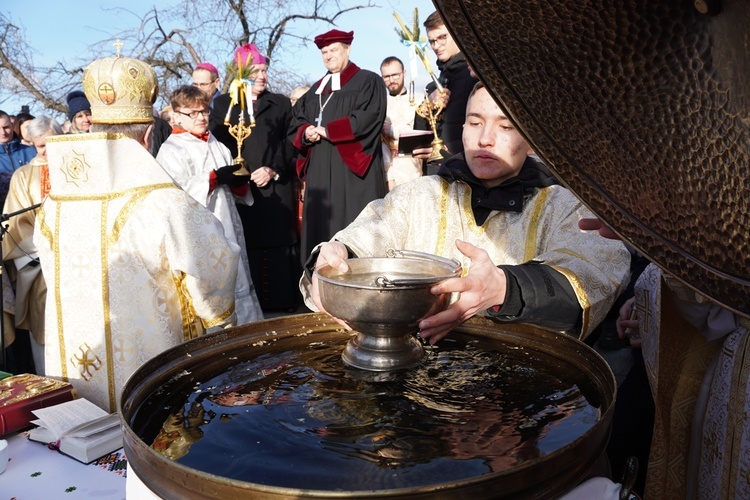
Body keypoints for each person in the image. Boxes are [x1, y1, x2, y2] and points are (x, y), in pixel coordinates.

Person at [302, 83, 630, 344]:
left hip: (517, 394)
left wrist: (505, 288)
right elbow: (371, 233)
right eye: (475, 122)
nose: (484, 139)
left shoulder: (567, 206)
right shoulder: (419, 194)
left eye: (506, 126)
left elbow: (596, 272)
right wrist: (336, 254)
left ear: (531, 140)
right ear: (462, 129)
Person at [34, 54, 241, 412]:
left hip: (75, 369)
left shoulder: (54, 203)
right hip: (149, 383)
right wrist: (220, 327)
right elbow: (213, 271)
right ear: (148, 134)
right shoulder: (164, 203)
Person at [156, 85, 263, 324]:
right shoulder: (170, 149)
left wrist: (239, 184)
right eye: (192, 113)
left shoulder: (218, 144)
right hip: (197, 232)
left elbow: (236, 192)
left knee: (238, 279)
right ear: (176, 115)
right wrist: (213, 178)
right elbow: (173, 193)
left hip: (227, 225)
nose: (201, 118)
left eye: (204, 111)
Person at [210, 44, 300, 311]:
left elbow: (291, 140)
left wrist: (272, 167)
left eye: (264, 70)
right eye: (256, 71)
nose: (262, 76)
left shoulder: (280, 103)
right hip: (241, 190)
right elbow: (219, 143)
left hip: (276, 188)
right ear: (242, 74)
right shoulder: (225, 105)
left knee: (278, 246)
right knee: (245, 244)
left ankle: (283, 306)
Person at [290, 28, 387, 262]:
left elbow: (369, 117)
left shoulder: (368, 80)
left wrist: (328, 130)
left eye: (334, 50)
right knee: (321, 231)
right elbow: (296, 121)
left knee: (356, 228)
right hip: (321, 173)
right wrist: (306, 132)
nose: (329, 56)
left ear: (348, 49)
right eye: (324, 52)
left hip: (353, 173)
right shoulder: (315, 89)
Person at [2, 116, 62, 375]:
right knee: (45, 325)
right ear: (33, 145)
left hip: (83, 261)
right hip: (41, 265)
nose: (48, 151)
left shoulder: (80, 170)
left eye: (53, 143)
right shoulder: (24, 176)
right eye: (41, 147)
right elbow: (17, 225)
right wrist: (45, 251)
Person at [414, 10, 478, 175]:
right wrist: (428, 105)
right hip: (436, 172)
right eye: (432, 41)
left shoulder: (474, 75)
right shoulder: (433, 85)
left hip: (468, 172)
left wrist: (450, 155)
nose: (436, 46)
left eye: (442, 37)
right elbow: (421, 137)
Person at [379, 56, 422, 190]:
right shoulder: (380, 105)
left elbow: (419, 133)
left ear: (404, 73)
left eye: (395, 75)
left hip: (416, 167)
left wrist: (392, 130)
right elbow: (382, 143)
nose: (391, 80)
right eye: (386, 77)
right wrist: (389, 177)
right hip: (390, 169)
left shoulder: (420, 100)